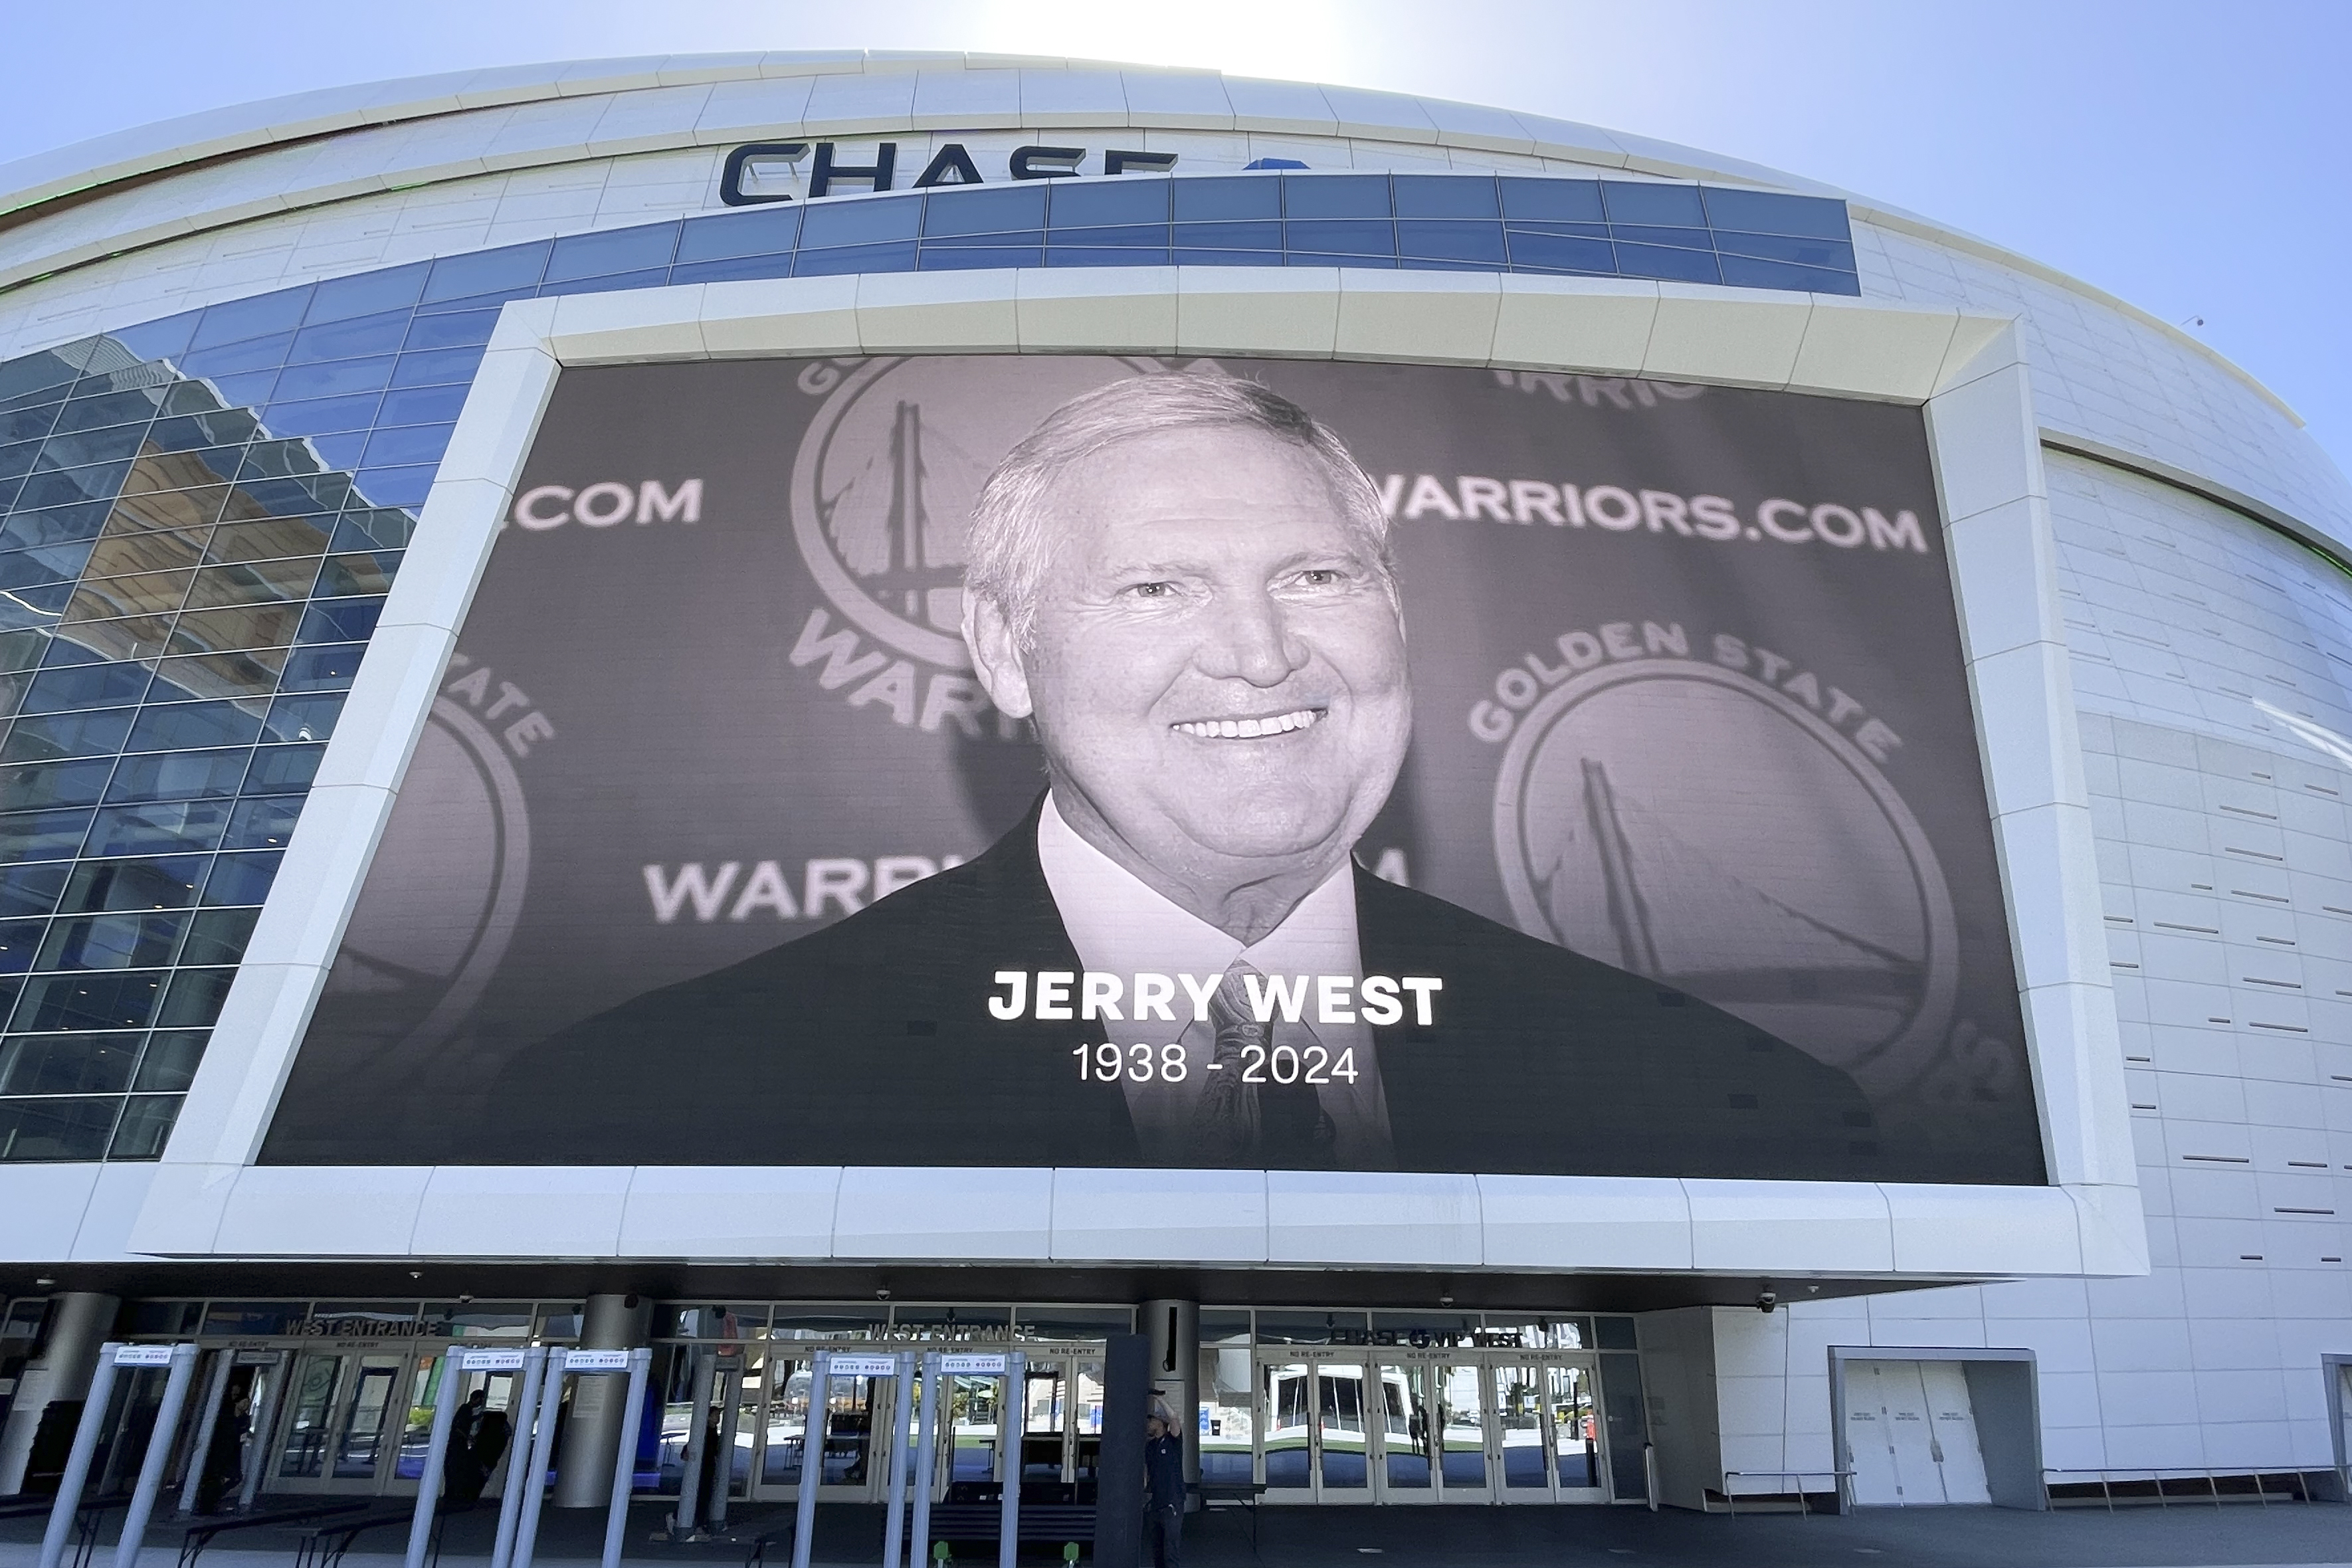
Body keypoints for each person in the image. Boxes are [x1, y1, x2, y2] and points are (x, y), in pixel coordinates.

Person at [483, 374, 1877, 1177]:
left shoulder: (1728, 1102)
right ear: (1006, 656)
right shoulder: (650, 1100)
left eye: (1318, 577)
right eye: (1156, 587)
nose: (1262, 655)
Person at [1142, 1407, 1185, 1568]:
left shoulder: (1173, 1441)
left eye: (1151, 1420)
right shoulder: (1150, 1446)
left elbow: (1174, 1417)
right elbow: (1147, 1473)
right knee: (1157, 1551)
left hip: (1172, 1503)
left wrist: (1160, 1399)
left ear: (1161, 1423)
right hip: (1156, 1503)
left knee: (1171, 1551)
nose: (1148, 1424)